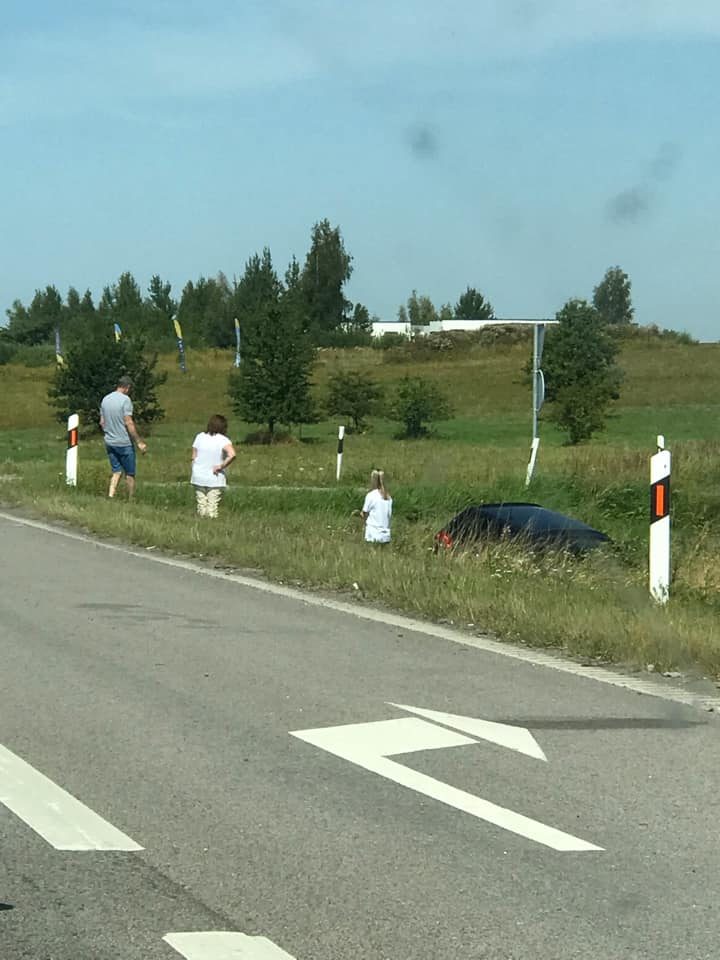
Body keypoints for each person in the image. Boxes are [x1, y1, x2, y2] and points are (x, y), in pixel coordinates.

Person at [99, 375, 147, 499]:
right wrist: (138, 441)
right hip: (124, 442)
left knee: (116, 471)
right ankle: (131, 498)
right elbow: (128, 422)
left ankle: (111, 495)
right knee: (130, 473)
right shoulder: (125, 400)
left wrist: (109, 433)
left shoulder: (106, 399)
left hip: (110, 441)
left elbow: (102, 422)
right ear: (127, 387)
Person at [191, 415, 236, 518]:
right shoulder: (223, 440)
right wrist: (221, 466)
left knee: (201, 504)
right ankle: (211, 523)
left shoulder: (200, 436)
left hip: (198, 475)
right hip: (214, 477)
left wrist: (195, 468)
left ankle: (201, 523)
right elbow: (232, 454)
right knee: (212, 506)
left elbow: (194, 456)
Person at [360, 469, 392, 543]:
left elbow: (364, 513)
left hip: (373, 535)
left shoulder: (371, 496)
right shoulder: (389, 497)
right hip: (386, 536)